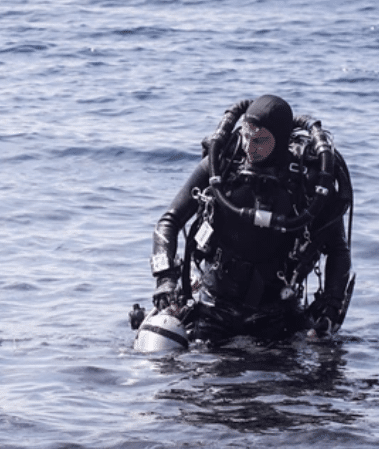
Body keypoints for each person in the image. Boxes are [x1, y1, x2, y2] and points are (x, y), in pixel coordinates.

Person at [147, 95, 354, 345]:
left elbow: (338, 250)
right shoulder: (222, 164)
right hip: (213, 306)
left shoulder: (306, 182)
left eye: (261, 139)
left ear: (279, 141)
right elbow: (169, 221)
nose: (250, 145)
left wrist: (330, 308)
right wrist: (165, 279)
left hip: (277, 314)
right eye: (247, 133)